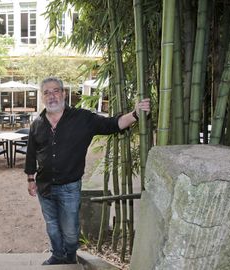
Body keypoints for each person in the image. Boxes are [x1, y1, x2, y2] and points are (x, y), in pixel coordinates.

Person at [25, 77, 151, 265]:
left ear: (64, 93)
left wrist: (135, 114)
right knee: (52, 227)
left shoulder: (81, 118)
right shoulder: (37, 124)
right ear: (42, 97)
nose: (52, 96)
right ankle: (58, 255)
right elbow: (31, 152)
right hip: (45, 186)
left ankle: (69, 257)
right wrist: (30, 178)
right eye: (47, 92)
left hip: (69, 187)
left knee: (70, 230)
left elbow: (112, 124)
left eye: (55, 91)